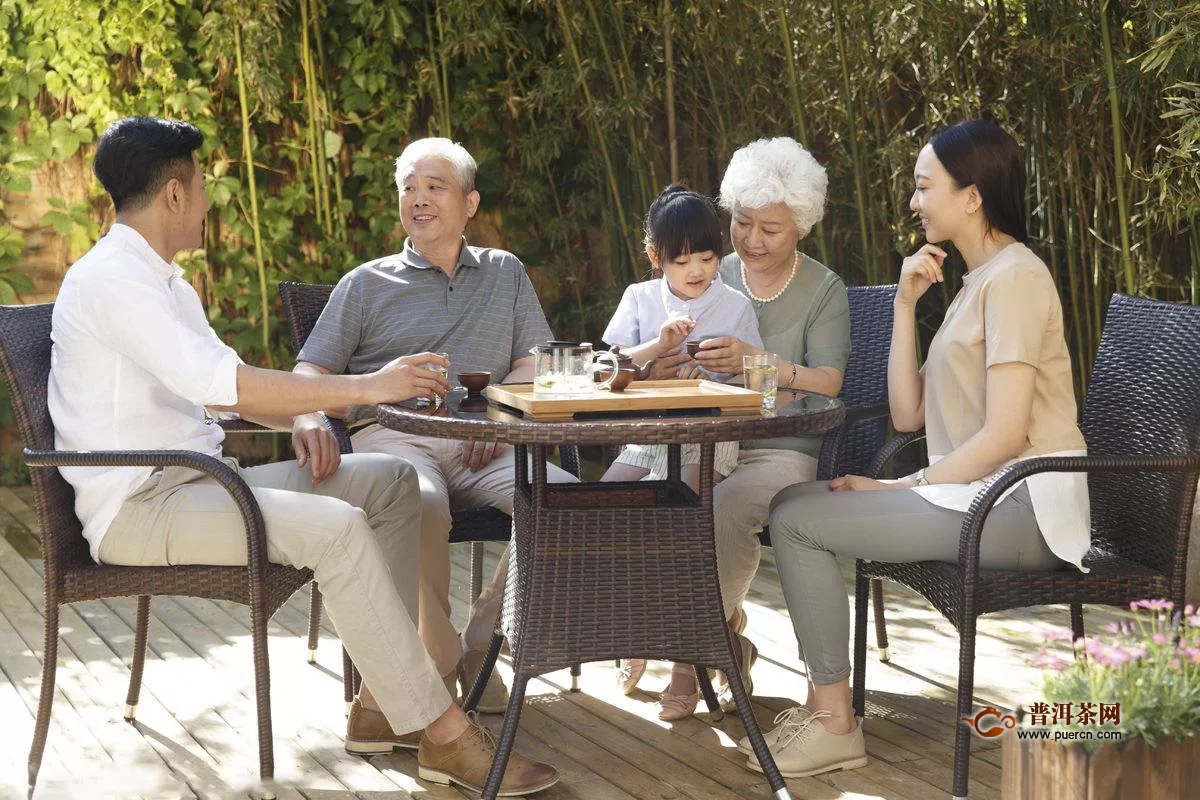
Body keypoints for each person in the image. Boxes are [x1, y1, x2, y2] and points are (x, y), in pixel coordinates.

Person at [50, 116, 558, 796]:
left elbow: (226, 396)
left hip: (201, 484)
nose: (207, 198)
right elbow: (226, 385)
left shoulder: (162, 281)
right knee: (339, 530)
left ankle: (383, 704)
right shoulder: (115, 280)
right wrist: (370, 387)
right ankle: (444, 735)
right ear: (173, 194)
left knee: (391, 483)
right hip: (144, 507)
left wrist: (307, 412)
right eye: (200, 184)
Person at [755, 120, 1087, 779]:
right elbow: (908, 413)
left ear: (971, 196)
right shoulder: (975, 283)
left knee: (796, 520)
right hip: (983, 498)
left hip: (1025, 506)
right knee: (791, 501)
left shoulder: (1017, 279)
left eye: (923, 186)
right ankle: (825, 707)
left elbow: (1007, 434)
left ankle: (833, 724)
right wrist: (906, 303)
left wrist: (901, 489)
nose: (913, 201)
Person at [294, 137, 576, 719]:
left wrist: (497, 419)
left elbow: (536, 363)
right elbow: (310, 370)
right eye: (408, 188)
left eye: (434, 187)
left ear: (470, 203)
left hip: (487, 442)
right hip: (395, 440)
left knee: (566, 504)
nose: (418, 200)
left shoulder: (506, 272)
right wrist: (306, 412)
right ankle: (439, 660)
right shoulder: (366, 282)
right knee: (418, 505)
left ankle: (481, 644)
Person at [626, 138, 851, 714]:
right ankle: (717, 637)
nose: (751, 241)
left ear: (801, 225)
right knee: (651, 494)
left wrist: (764, 364)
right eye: (743, 223)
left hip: (781, 445)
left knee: (721, 505)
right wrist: (664, 368)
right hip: (697, 435)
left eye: (770, 229)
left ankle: (688, 656)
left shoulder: (823, 290)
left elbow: (829, 381)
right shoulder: (705, 268)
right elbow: (641, 345)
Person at [600, 184, 762, 720]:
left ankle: (685, 662)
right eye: (683, 259)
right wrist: (657, 351)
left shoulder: (734, 304)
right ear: (656, 258)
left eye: (708, 258)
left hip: (709, 439)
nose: (697, 270)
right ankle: (637, 629)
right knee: (604, 508)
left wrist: (719, 369)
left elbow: (752, 383)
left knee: (681, 519)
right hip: (648, 438)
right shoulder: (640, 299)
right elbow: (607, 371)